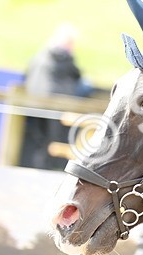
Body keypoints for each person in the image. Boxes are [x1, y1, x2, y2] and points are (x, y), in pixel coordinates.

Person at [22, 24, 94, 170]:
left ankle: (39, 170)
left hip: (33, 103)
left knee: (39, 142)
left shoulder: (39, 56)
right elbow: (76, 75)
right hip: (57, 104)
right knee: (56, 142)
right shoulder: (63, 56)